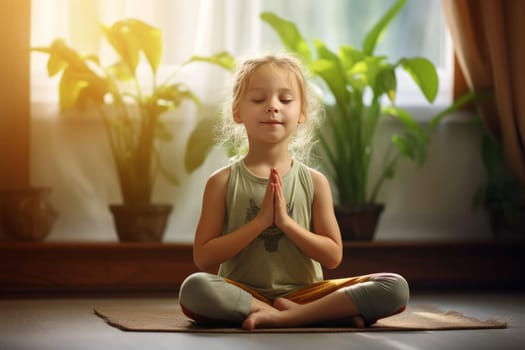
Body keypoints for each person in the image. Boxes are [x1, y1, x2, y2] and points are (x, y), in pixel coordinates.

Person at [178, 53, 409, 330]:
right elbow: (203, 258)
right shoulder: (222, 182)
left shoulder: (315, 182)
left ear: (301, 113)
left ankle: (286, 317)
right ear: (237, 111)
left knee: (394, 286)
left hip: (307, 294)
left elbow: (333, 256)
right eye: (258, 99)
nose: (272, 107)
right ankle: (316, 315)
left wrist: (285, 223)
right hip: (245, 293)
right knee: (195, 288)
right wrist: (261, 222)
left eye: (285, 100)